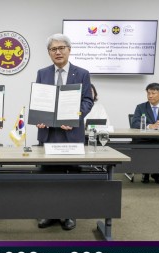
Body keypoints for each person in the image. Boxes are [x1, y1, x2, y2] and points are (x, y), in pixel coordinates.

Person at [35, 33, 94, 231]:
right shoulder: (42, 73)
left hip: (71, 134)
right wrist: (39, 118)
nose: (58, 52)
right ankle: (49, 213)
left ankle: (69, 213)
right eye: (53, 49)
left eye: (61, 48)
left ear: (69, 49)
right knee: (47, 176)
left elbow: (88, 100)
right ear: (49, 53)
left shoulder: (82, 73)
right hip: (49, 134)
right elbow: (39, 100)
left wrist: (76, 118)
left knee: (70, 175)